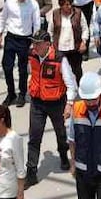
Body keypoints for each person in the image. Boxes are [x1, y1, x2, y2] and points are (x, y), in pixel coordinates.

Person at [25, 30, 77, 187]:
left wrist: (69, 104)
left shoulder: (60, 60)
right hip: (37, 102)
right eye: (33, 43)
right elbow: (31, 72)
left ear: (48, 44)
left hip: (56, 103)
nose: (35, 46)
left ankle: (63, 155)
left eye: (38, 43)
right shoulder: (32, 55)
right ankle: (31, 173)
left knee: (61, 133)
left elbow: (71, 84)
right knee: (34, 137)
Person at [0, 0, 41, 107]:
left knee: (23, 69)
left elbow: (36, 23)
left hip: (24, 39)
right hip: (11, 37)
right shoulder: (9, 2)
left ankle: (22, 93)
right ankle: (11, 93)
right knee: (7, 66)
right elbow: (3, 17)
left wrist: (35, 42)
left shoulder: (33, 4)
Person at [52, 0, 89, 82]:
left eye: (70, 4)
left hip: (75, 48)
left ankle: (80, 89)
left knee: (77, 71)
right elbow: (50, 31)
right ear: (61, 6)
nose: (69, 7)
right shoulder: (55, 14)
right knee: (62, 71)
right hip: (60, 49)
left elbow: (85, 29)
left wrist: (83, 42)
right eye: (66, 5)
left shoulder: (78, 13)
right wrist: (51, 46)